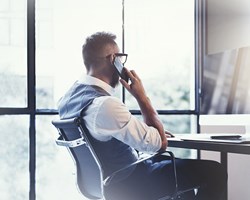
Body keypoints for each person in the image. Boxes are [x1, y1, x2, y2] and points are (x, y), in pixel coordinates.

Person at [58, 32, 227, 200]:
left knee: (182, 176)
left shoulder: (67, 99)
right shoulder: (104, 104)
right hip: (132, 183)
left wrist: (147, 133)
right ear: (113, 59)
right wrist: (142, 97)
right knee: (214, 172)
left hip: (104, 183)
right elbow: (160, 144)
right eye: (121, 58)